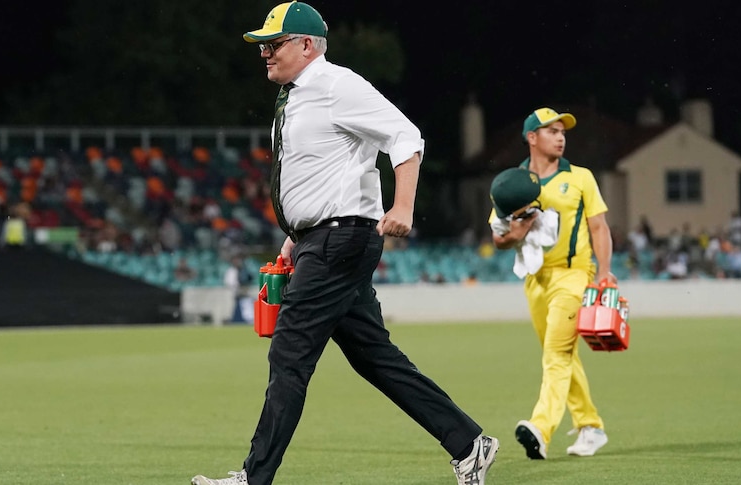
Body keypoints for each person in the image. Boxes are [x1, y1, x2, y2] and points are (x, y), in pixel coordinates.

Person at [191, 3, 498, 484]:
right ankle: (468, 443)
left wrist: (402, 207)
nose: (265, 53)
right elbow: (317, 174)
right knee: (374, 356)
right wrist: (296, 236)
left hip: (343, 238)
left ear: (307, 45)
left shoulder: (336, 84)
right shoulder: (298, 96)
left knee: (290, 352)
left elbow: (405, 135)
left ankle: (253, 478)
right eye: (264, 46)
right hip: (324, 238)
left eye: (274, 43)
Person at [489, 107, 613, 460]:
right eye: (551, 131)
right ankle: (591, 426)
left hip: (575, 277)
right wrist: (517, 231)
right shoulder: (511, 185)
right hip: (535, 279)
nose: (561, 136)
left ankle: (540, 429)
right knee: (560, 354)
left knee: (556, 355)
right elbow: (498, 238)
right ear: (532, 138)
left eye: (562, 131)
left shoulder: (581, 178)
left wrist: (603, 273)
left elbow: (599, 228)